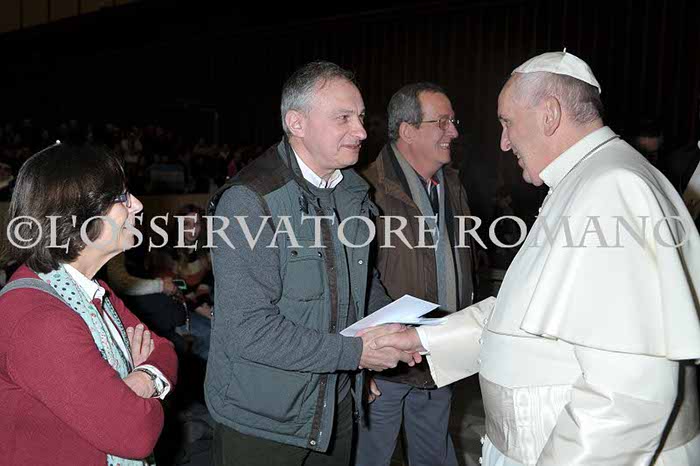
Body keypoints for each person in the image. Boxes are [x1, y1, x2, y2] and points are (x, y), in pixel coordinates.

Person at [371, 51, 700, 465]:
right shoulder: (590, 180)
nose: (503, 142)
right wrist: (423, 339)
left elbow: (626, 401)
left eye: (507, 122)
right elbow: (521, 315)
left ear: (549, 115)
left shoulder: (612, 189)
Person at [204, 61, 417, 466]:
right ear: (296, 123)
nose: (361, 131)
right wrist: (356, 355)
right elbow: (248, 330)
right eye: (343, 118)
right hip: (264, 422)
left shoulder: (353, 193)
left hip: (334, 406)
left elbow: (361, 283)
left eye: (360, 117)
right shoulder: (250, 201)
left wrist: (393, 327)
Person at [0, 143, 178, 465]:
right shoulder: (38, 319)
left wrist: (142, 379)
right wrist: (142, 392)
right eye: (121, 197)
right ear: (78, 215)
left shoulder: (91, 290)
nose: (137, 205)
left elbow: (165, 350)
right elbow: (136, 433)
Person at [357, 83, 475, 466]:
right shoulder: (365, 191)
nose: (453, 131)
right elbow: (352, 284)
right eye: (441, 122)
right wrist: (357, 364)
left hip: (440, 353)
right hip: (385, 364)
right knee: (371, 458)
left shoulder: (451, 184)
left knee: (434, 456)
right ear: (407, 131)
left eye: (453, 122)